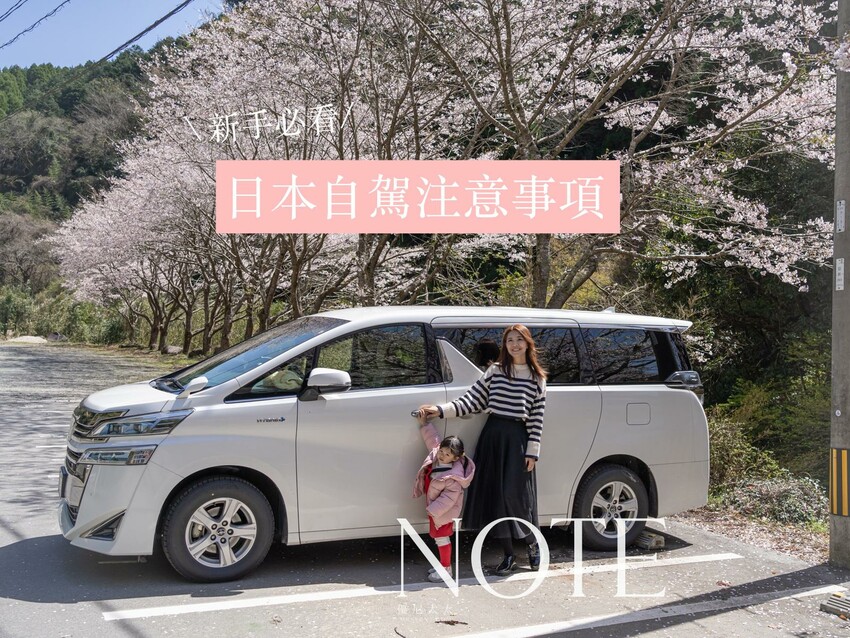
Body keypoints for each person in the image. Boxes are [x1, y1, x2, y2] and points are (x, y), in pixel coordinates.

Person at [421, 324, 547, 576]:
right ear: (505, 345)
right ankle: (508, 555)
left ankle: (533, 544)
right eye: (509, 340)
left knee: (516, 497)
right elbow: (472, 400)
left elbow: (537, 417)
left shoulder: (537, 378)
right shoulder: (495, 371)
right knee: (496, 497)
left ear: (528, 343)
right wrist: (441, 410)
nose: (514, 345)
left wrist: (532, 451)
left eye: (519, 340)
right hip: (493, 436)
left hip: (517, 441)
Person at [412, 410, 475, 583]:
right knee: (438, 537)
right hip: (436, 510)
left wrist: (433, 510)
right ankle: (442, 565)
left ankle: (446, 569)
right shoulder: (437, 457)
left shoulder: (454, 477)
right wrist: (425, 424)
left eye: (447, 454)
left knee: (441, 538)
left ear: (456, 458)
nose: (442, 455)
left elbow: (449, 499)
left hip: (443, 513)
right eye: (442, 451)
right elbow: (433, 440)